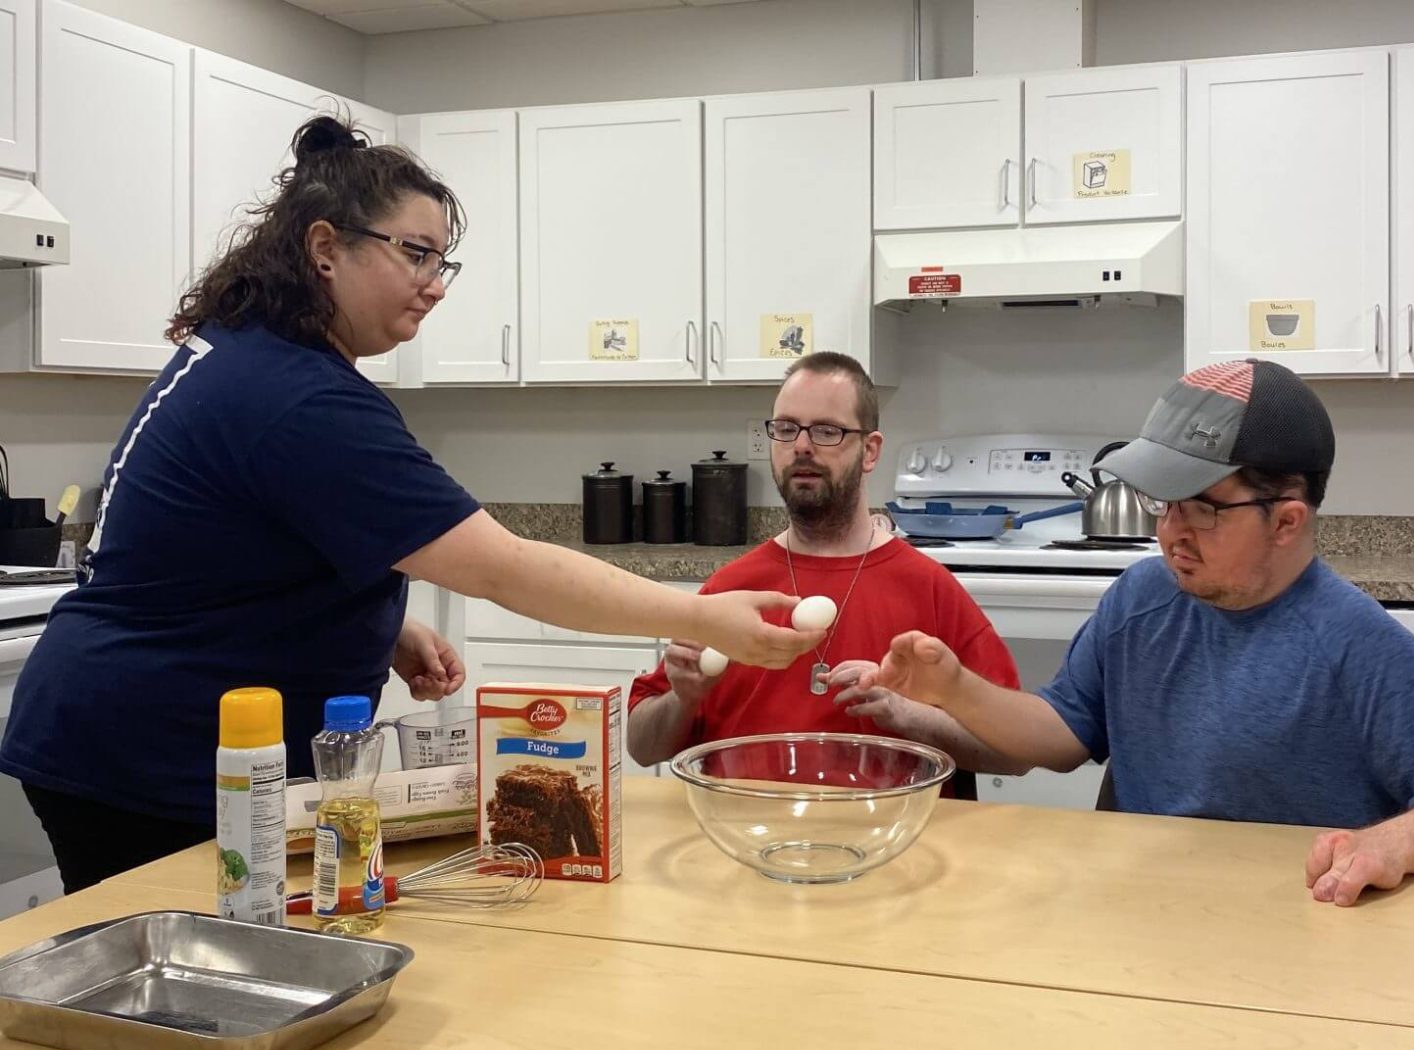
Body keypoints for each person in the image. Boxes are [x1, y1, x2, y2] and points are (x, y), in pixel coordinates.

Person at [0, 115, 819, 893]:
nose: (434, 285)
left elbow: (231, 551)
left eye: (441, 263)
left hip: (126, 730)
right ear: (326, 248)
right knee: (181, 1001)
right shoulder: (298, 398)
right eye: (415, 254)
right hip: (151, 756)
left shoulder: (250, 358)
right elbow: (507, 568)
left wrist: (384, 625)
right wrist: (710, 619)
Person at [859, 358, 1414, 905]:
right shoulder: (1141, 599)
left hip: (1289, 930)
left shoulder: (1358, 644)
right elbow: (1061, 734)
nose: (1170, 531)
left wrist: (1389, 844)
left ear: (1287, 521)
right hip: (1141, 911)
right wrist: (952, 687)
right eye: (1165, 502)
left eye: (1203, 509)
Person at [626, 352, 1026, 798]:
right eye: (786, 428)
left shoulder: (929, 590)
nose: (801, 445)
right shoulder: (731, 589)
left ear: (870, 450)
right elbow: (641, 746)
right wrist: (685, 698)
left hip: (890, 843)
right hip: (743, 837)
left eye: (826, 431)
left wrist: (903, 713)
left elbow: (1016, 751)